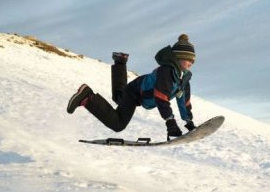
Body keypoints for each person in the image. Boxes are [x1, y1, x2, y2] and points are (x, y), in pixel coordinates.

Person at [67, 34, 197, 139]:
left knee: (118, 97)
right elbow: (161, 97)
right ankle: (87, 97)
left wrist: (188, 121)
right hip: (136, 93)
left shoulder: (184, 79)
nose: (191, 62)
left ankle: (120, 62)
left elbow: (183, 102)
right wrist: (170, 122)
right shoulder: (166, 71)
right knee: (118, 124)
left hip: (138, 93)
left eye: (192, 60)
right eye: (188, 58)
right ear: (178, 58)